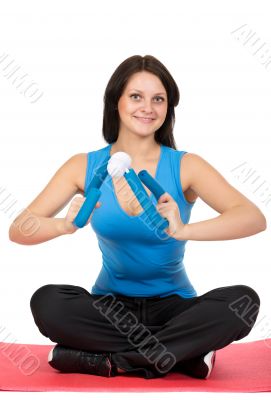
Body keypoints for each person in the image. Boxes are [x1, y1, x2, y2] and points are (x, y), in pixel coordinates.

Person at [9, 55, 266, 380]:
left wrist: (184, 229)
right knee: (47, 301)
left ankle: (107, 361)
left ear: (167, 108)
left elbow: (252, 218)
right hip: (109, 309)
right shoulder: (83, 166)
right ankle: (181, 355)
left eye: (158, 99)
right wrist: (62, 225)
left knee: (242, 300)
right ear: (115, 102)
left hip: (175, 310)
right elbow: (19, 229)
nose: (148, 107)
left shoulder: (186, 165)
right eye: (136, 96)